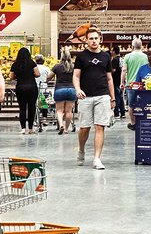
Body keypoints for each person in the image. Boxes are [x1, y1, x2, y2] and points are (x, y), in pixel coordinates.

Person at [73, 28, 114, 170]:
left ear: (100, 39)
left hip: (102, 95)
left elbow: (109, 79)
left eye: (96, 38)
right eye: (91, 38)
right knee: (84, 128)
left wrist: (112, 98)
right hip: (86, 96)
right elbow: (76, 76)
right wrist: (78, 90)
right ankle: (81, 149)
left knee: (100, 126)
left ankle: (97, 158)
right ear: (86, 40)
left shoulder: (106, 56)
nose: (94, 41)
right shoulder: (81, 57)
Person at [9, 47, 39, 135]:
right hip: (32, 87)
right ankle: (31, 129)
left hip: (20, 87)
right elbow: (37, 74)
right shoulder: (32, 63)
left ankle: (23, 129)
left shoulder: (15, 64)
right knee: (31, 107)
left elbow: (11, 77)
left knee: (22, 108)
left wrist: (18, 76)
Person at [121, 39, 147, 128]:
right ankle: (143, 122)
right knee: (143, 104)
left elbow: (124, 70)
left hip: (131, 84)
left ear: (132, 46)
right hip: (143, 84)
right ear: (142, 46)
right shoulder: (145, 57)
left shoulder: (127, 56)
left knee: (131, 105)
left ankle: (133, 123)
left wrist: (122, 82)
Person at [50, 50, 76, 134]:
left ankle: (61, 124)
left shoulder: (57, 66)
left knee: (59, 111)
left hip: (59, 89)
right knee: (68, 111)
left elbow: (49, 77)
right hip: (71, 89)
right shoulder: (73, 67)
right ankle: (66, 129)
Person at [110, 48, 125, 119]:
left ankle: (117, 113)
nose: (111, 52)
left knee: (116, 97)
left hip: (115, 81)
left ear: (114, 51)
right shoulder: (122, 59)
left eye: (112, 51)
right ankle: (123, 112)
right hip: (121, 80)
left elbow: (113, 70)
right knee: (121, 97)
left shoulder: (115, 60)